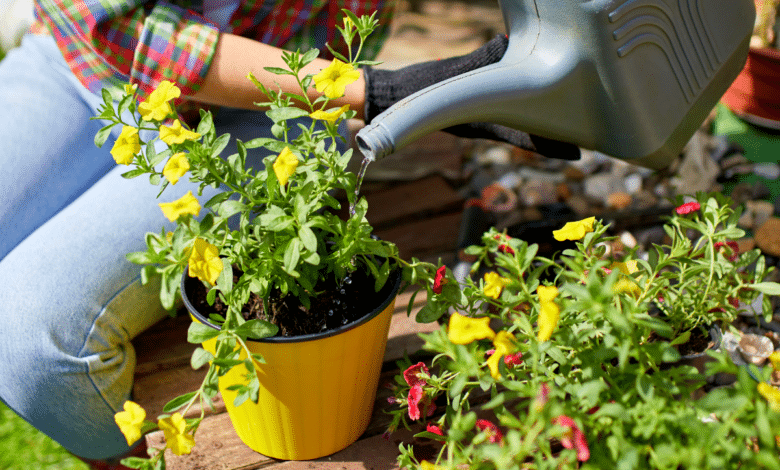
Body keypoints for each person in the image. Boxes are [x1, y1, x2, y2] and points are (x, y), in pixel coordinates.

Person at [0, 0, 579, 468]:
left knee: (31, 349)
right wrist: (384, 93)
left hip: (265, 105)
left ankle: (120, 458)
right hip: (84, 62)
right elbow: (111, 20)